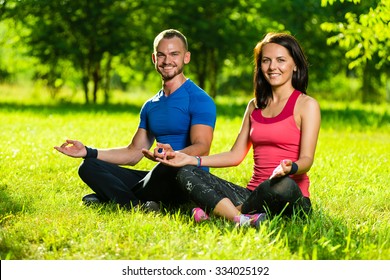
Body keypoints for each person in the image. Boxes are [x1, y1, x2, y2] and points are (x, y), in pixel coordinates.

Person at [144, 32, 321, 227]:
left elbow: (307, 160)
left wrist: (291, 167)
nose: (272, 67)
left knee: (282, 185)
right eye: (266, 61)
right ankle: (242, 218)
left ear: (295, 64)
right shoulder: (254, 106)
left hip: (289, 195)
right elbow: (235, 155)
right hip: (250, 194)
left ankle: (227, 212)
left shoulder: (306, 105)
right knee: (185, 171)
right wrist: (192, 159)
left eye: (281, 60)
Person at [54, 29, 217, 209]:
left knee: (164, 168)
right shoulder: (151, 105)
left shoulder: (199, 99)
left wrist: (173, 157)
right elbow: (133, 153)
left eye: (174, 54)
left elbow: (202, 147)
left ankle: (115, 198)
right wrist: (88, 151)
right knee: (89, 167)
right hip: (157, 176)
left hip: (186, 179)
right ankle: (137, 204)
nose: (167, 60)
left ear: (186, 57)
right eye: (161, 55)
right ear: (154, 59)